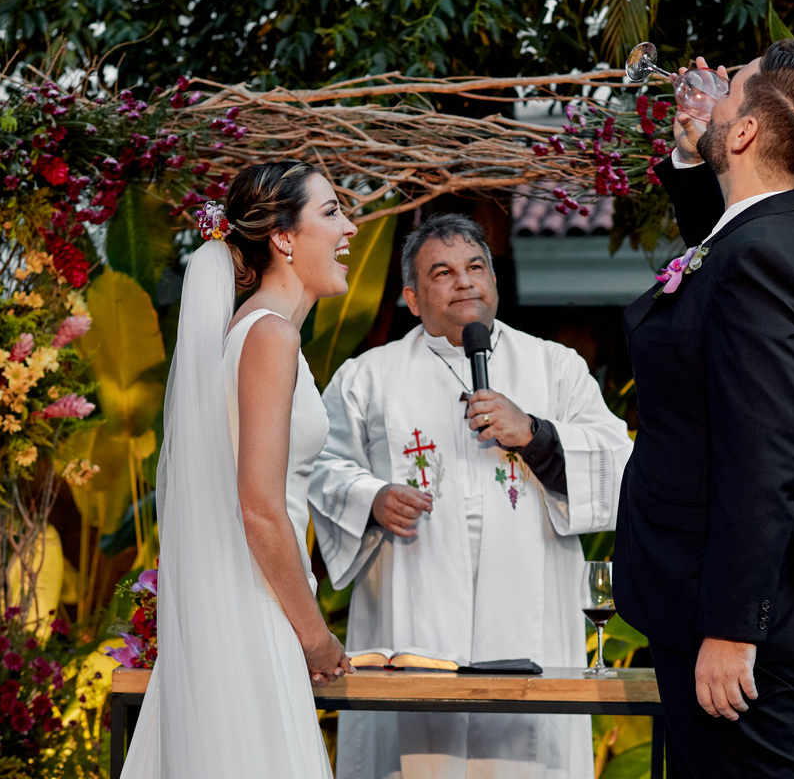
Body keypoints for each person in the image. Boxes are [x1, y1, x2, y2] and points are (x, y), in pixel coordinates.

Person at [613, 40, 794, 778]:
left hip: (739, 610)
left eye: (730, 91)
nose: (712, 90)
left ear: (747, 132)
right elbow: (720, 280)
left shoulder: (762, 258)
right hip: (773, 592)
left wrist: (731, 628)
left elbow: (764, 455)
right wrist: (696, 156)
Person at [309, 213, 634, 779]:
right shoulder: (368, 377)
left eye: (476, 266)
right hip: (412, 605)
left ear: (494, 281)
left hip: (530, 608)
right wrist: (371, 498)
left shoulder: (554, 367)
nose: (464, 281)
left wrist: (535, 433)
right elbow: (318, 465)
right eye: (442, 272)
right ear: (413, 298)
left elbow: (618, 462)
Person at [121, 161, 356, 778]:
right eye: (332, 212)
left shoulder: (254, 333)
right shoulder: (270, 337)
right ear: (282, 237)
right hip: (255, 614)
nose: (351, 228)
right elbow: (259, 509)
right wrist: (316, 636)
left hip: (247, 605)